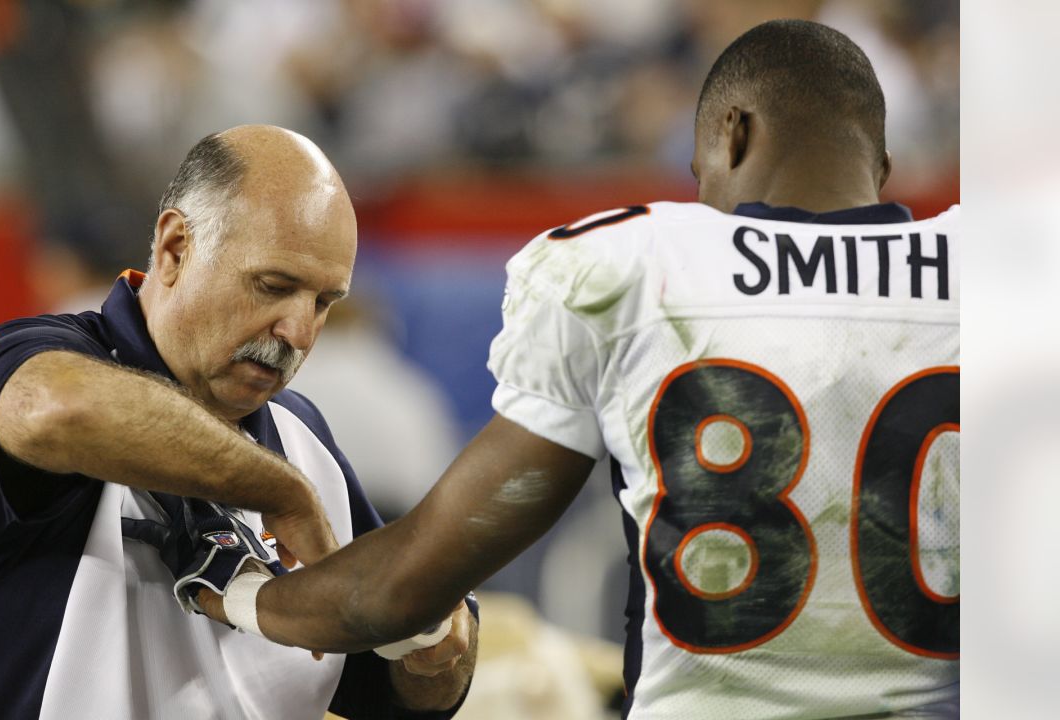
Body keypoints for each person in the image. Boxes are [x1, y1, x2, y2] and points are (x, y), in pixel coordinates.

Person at [195, 20, 959, 719]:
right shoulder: (1000, 274)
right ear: (881, 164)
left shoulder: (634, 268)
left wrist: (239, 593)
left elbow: (395, 590)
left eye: (700, 174)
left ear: (734, 133)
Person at [0, 125, 478, 719]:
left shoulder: (303, 435)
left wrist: (435, 649)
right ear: (175, 249)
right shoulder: (30, 361)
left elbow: (401, 696)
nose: (298, 333)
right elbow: (54, 410)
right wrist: (280, 491)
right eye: (274, 286)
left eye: (325, 303)